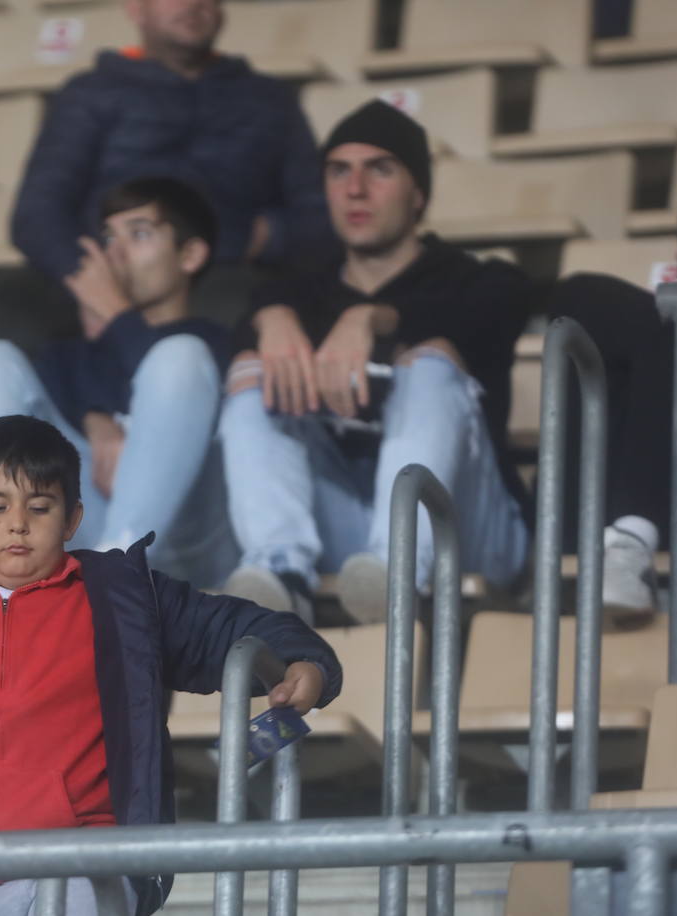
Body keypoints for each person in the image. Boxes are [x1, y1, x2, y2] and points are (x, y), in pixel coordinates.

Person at [0, 415, 342, 916]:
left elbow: (229, 626)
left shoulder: (124, 599)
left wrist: (306, 662)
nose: (17, 525)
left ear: (73, 519)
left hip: (86, 867)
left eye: (39, 508)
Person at [219, 100, 533, 622]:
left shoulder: (478, 280)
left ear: (419, 194)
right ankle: (280, 566)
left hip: (470, 530)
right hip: (349, 534)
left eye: (379, 170)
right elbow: (236, 341)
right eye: (339, 171)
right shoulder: (298, 294)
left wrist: (373, 319)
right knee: (251, 373)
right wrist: (270, 320)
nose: (355, 189)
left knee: (431, 363)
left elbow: (487, 316)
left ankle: (402, 564)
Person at [0, 177, 235, 586]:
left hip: (192, 539)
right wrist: (96, 419)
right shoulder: (67, 356)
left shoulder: (218, 341)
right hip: (83, 537)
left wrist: (117, 314)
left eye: (138, 234)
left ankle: (120, 574)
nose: (114, 252)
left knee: (181, 355)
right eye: (107, 238)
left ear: (189, 254)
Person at [549, 175, 677, 619]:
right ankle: (626, 542)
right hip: (605, 521)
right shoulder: (659, 329)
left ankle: (630, 541)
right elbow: (572, 296)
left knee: (675, 329)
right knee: (660, 328)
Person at [10, 0, 333, 289]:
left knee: (251, 308)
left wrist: (268, 237)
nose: (194, 5)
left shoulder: (269, 99)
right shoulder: (89, 93)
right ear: (136, 8)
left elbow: (316, 211)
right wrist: (89, 279)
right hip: (105, 270)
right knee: (6, 303)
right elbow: (38, 213)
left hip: (226, 273)